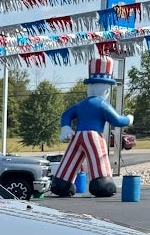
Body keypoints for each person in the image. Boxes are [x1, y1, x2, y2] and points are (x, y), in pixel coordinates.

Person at [49, 56, 133, 198]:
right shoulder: (101, 104)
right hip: (93, 135)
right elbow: (117, 120)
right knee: (98, 159)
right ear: (106, 88)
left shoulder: (81, 104)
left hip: (77, 135)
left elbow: (66, 115)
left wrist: (66, 127)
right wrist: (129, 119)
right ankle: (102, 183)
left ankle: (60, 183)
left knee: (71, 159)